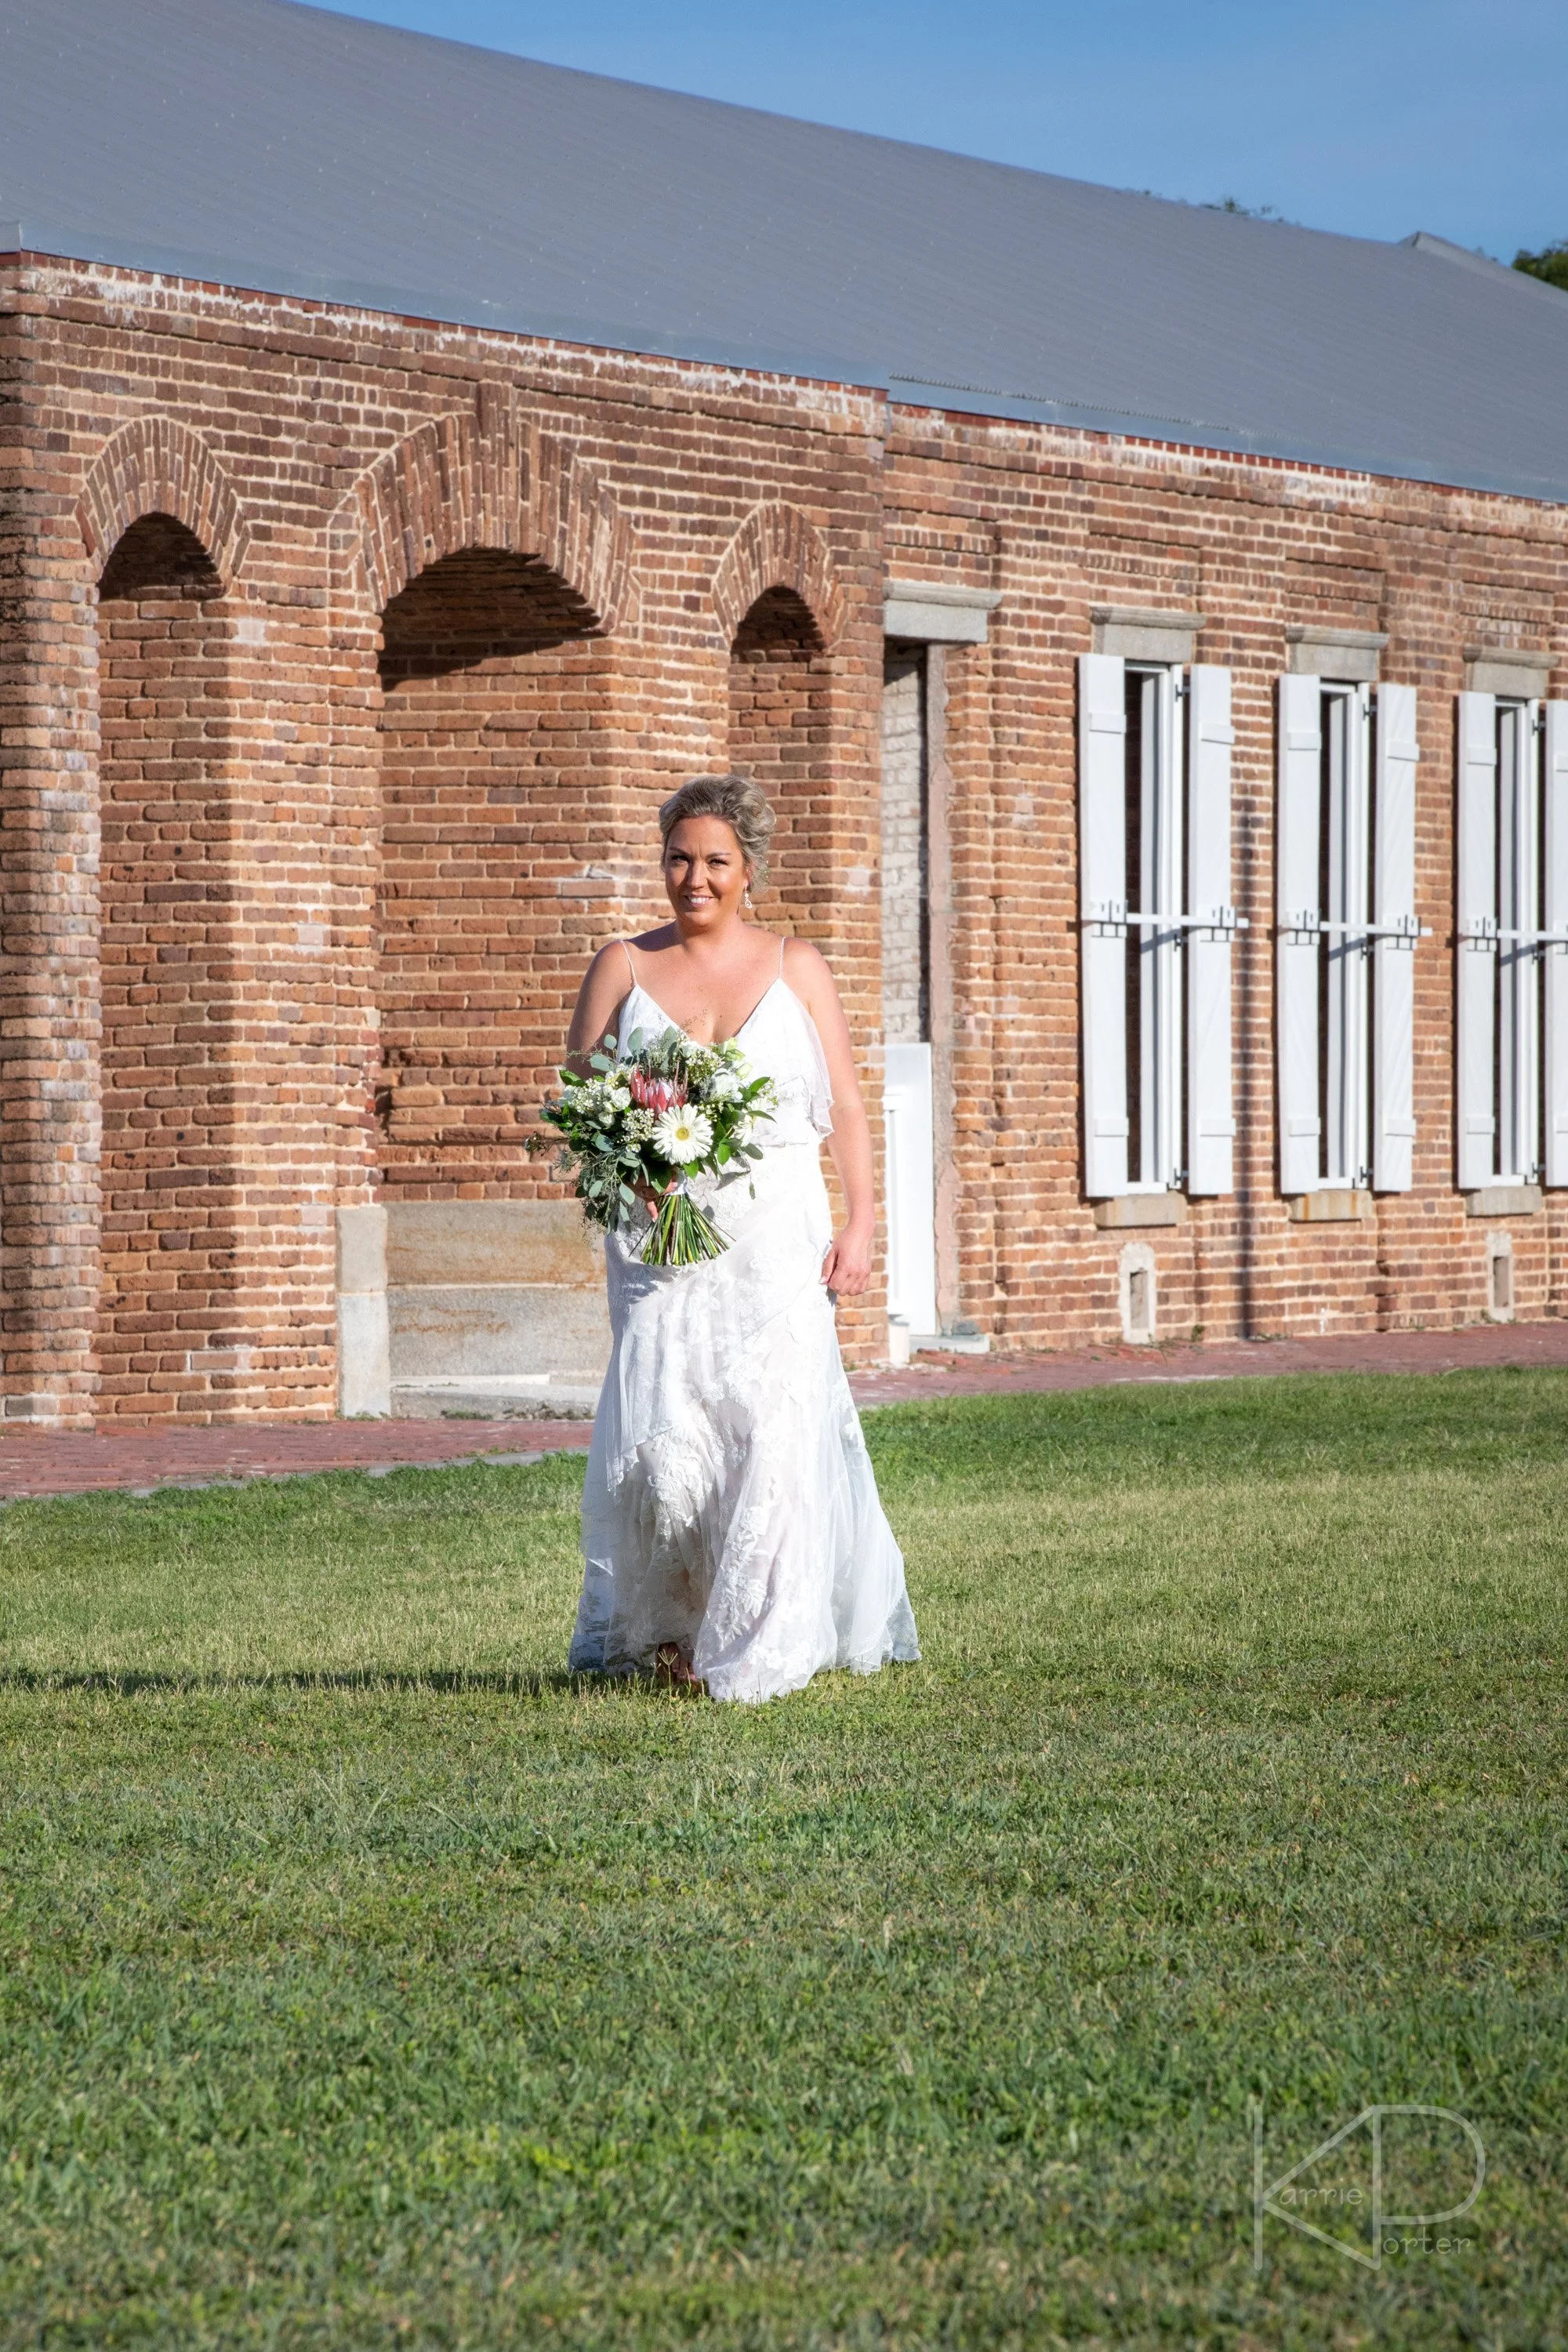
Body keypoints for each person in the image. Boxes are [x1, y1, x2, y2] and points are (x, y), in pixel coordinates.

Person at [563, 773, 920, 1704]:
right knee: (666, 1433)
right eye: (679, 858)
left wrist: (861, 1221)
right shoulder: (621, 966)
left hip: (774, 1232)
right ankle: (675, 1626)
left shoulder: (797, 965)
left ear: (747, 870)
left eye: (714, 860)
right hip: (658, 1239)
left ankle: (763, 1636)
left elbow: (841, 1101)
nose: (694, 877)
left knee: (770, 1423)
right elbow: (583, 1100)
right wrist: (636, 1165)